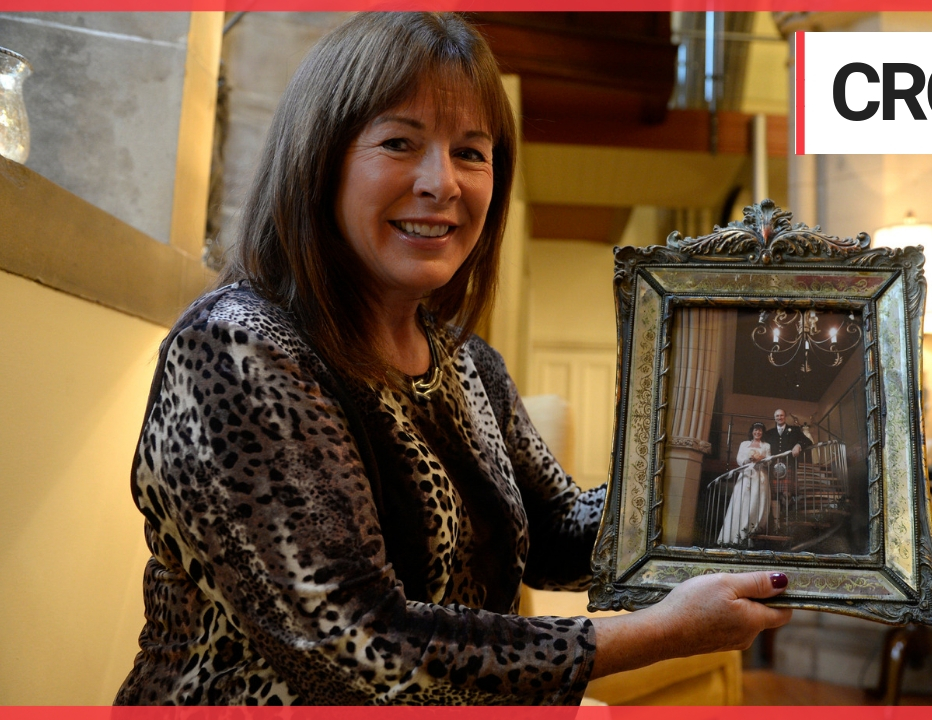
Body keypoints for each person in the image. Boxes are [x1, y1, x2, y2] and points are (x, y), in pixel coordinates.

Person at [114, 13, 789, 706]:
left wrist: (731, 495)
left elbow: (556, 534)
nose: (443, 183)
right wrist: (660, 631)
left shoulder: (468, 363)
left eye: (471, 152)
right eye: (400, 142)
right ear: (319, 160)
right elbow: (364, 650)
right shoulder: (240, 348)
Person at [716, 422, 772, 546]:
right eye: (755, 430)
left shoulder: (766, 445)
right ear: (752, 431)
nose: (757, 433)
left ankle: (751, 534)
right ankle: (735, 536)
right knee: (742, 502)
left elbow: (769, 461)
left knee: (756, 502)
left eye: (760, 431)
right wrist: (749, 459)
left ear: (763, 432)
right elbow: (739, 459)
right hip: (747, 475)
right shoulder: (744, 444)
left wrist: (761, 458)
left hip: (759, 476)